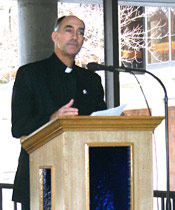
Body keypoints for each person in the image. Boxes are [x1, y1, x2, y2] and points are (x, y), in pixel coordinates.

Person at [11, 15, 106, 209]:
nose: (75, 36)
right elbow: (18, 127)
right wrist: (52, 119)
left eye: (80, 32)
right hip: (40, 175)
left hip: (83, 177)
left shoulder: (91, 79)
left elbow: (100, 121)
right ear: (55, 36)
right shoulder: (30, 74)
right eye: (68, 30)